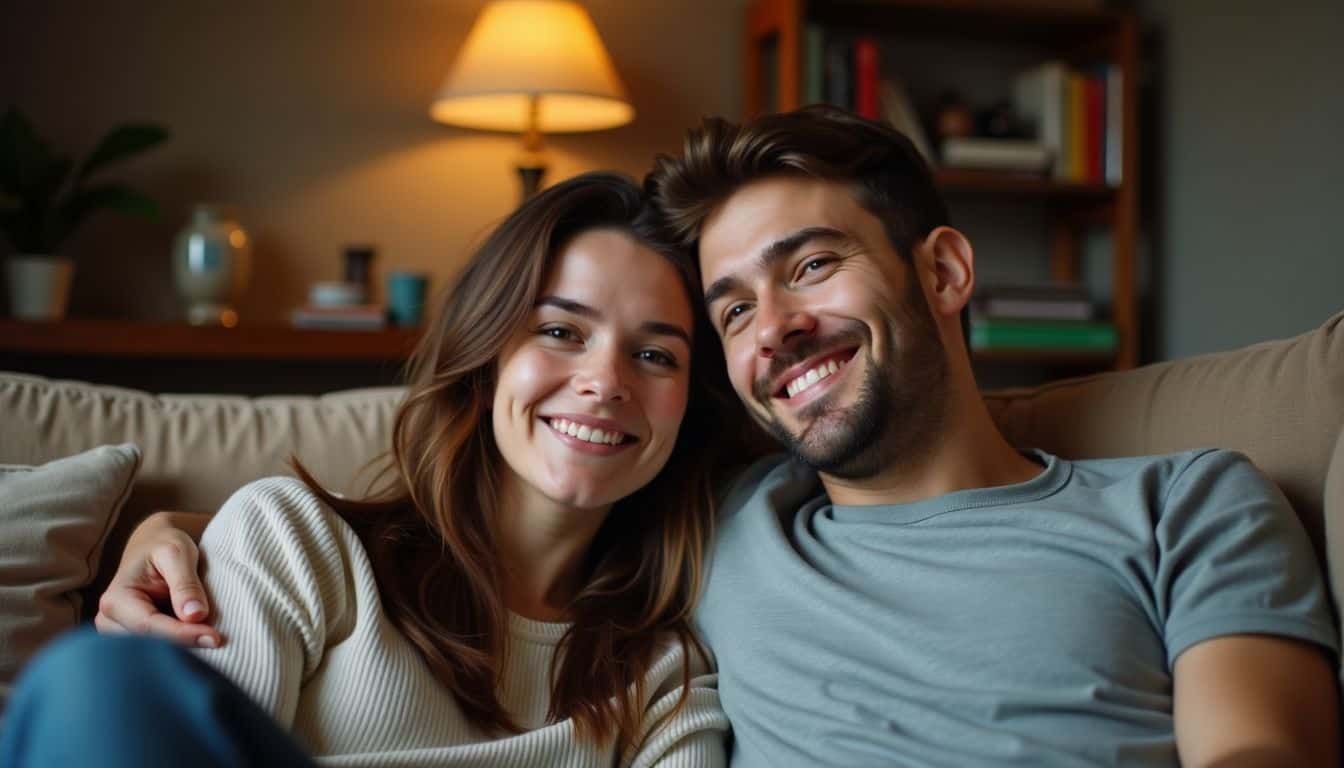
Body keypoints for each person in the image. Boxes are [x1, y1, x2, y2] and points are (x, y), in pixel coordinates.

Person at [81, 106, 1340, 767]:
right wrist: (175, 525)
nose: (776, 331)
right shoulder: (735, 524)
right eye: (733, 309)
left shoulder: (1185, 504)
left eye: (813, 268)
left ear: (946, 269)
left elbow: (1258, 751)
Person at [1, 172, 735, 767]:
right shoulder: (294, 540)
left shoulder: (667, 672)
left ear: (686, 410)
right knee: (94, 684)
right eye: (559, 331)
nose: (606, 380)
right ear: (485, 365)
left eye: (653, 354)